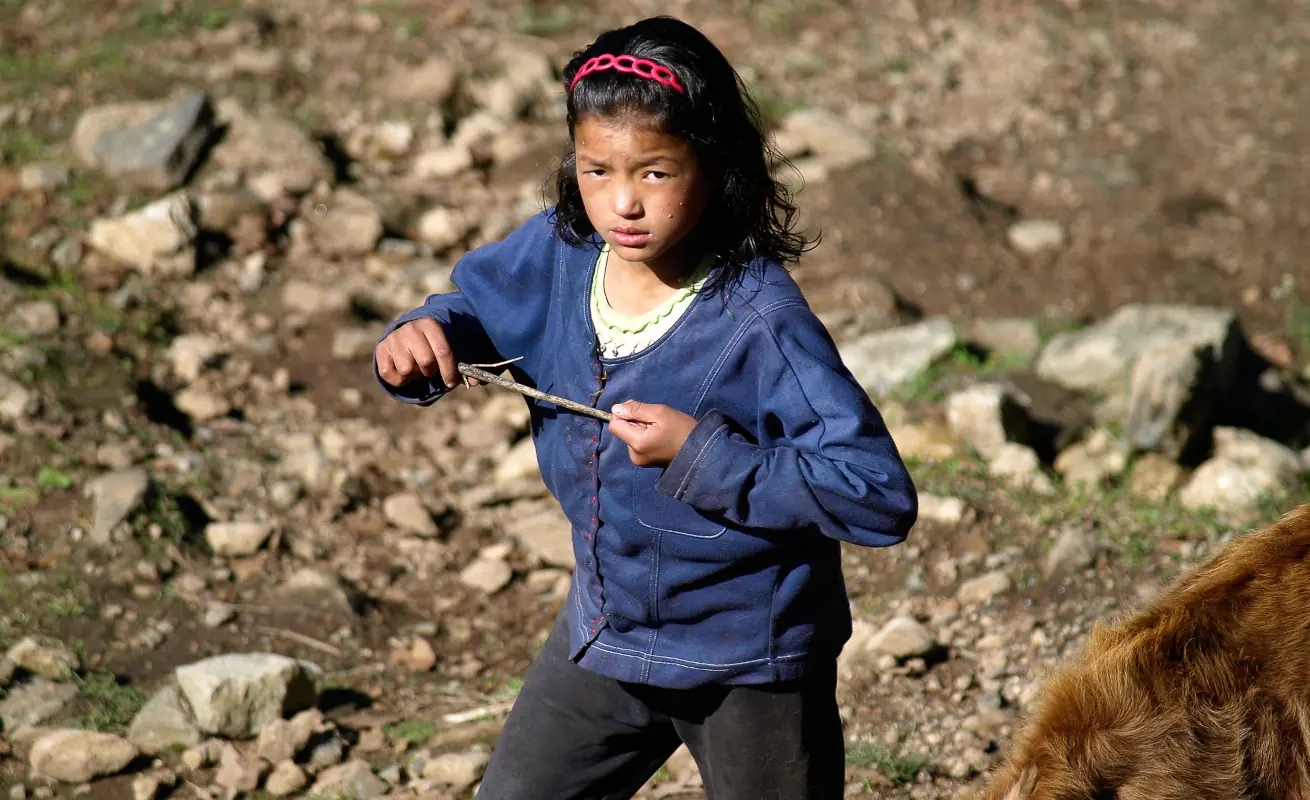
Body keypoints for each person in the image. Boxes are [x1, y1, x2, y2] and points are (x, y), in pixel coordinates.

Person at [373, 15, 917, 799]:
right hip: (607, 635)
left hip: (748, 664)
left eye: (655, 174)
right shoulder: (562, 255)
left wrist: (705, 456)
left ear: (716, 167)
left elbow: (876, 494)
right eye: (597, 171)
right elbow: (472, 313)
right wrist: (422, 335)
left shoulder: (756, 320)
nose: (622, 203)